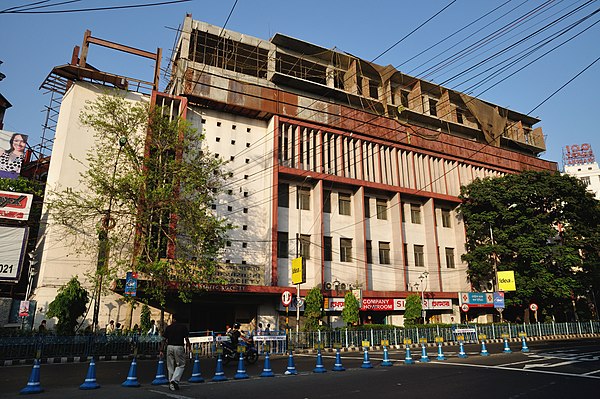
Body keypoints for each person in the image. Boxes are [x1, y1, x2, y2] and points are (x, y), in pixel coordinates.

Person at [160, 314, 191, 391]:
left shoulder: (169, 327)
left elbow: (164, 339)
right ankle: (175, 380)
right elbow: (186, 339)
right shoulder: (183, 327)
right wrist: (189, 348)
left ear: (173, 319)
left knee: (170, 366)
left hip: (169, 347)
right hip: (179, 347)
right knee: (181, 365)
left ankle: (171, 383)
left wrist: (161, 350)